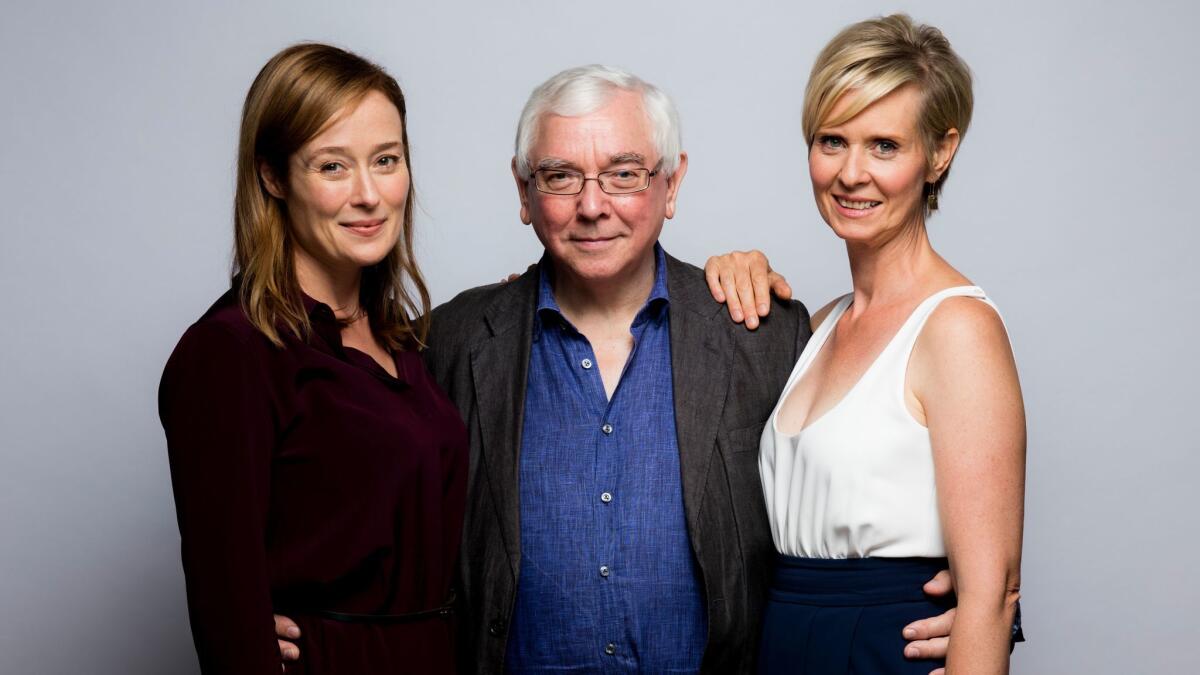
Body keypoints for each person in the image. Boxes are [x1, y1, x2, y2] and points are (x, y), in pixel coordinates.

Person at [707, 14, 1025, 674]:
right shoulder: (816, 325)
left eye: (884, 145)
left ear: (939, 153)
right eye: (832, 140)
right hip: (781, 646)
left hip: (884, 651)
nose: (852, 173)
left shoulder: (958, 328)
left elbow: (990, 597)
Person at [159, 43, 467, 674]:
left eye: (386, 160)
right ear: (273, 176)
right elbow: (226, 607)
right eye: (332, 167)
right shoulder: (233, 352)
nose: (369, 195)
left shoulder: (405, 344)